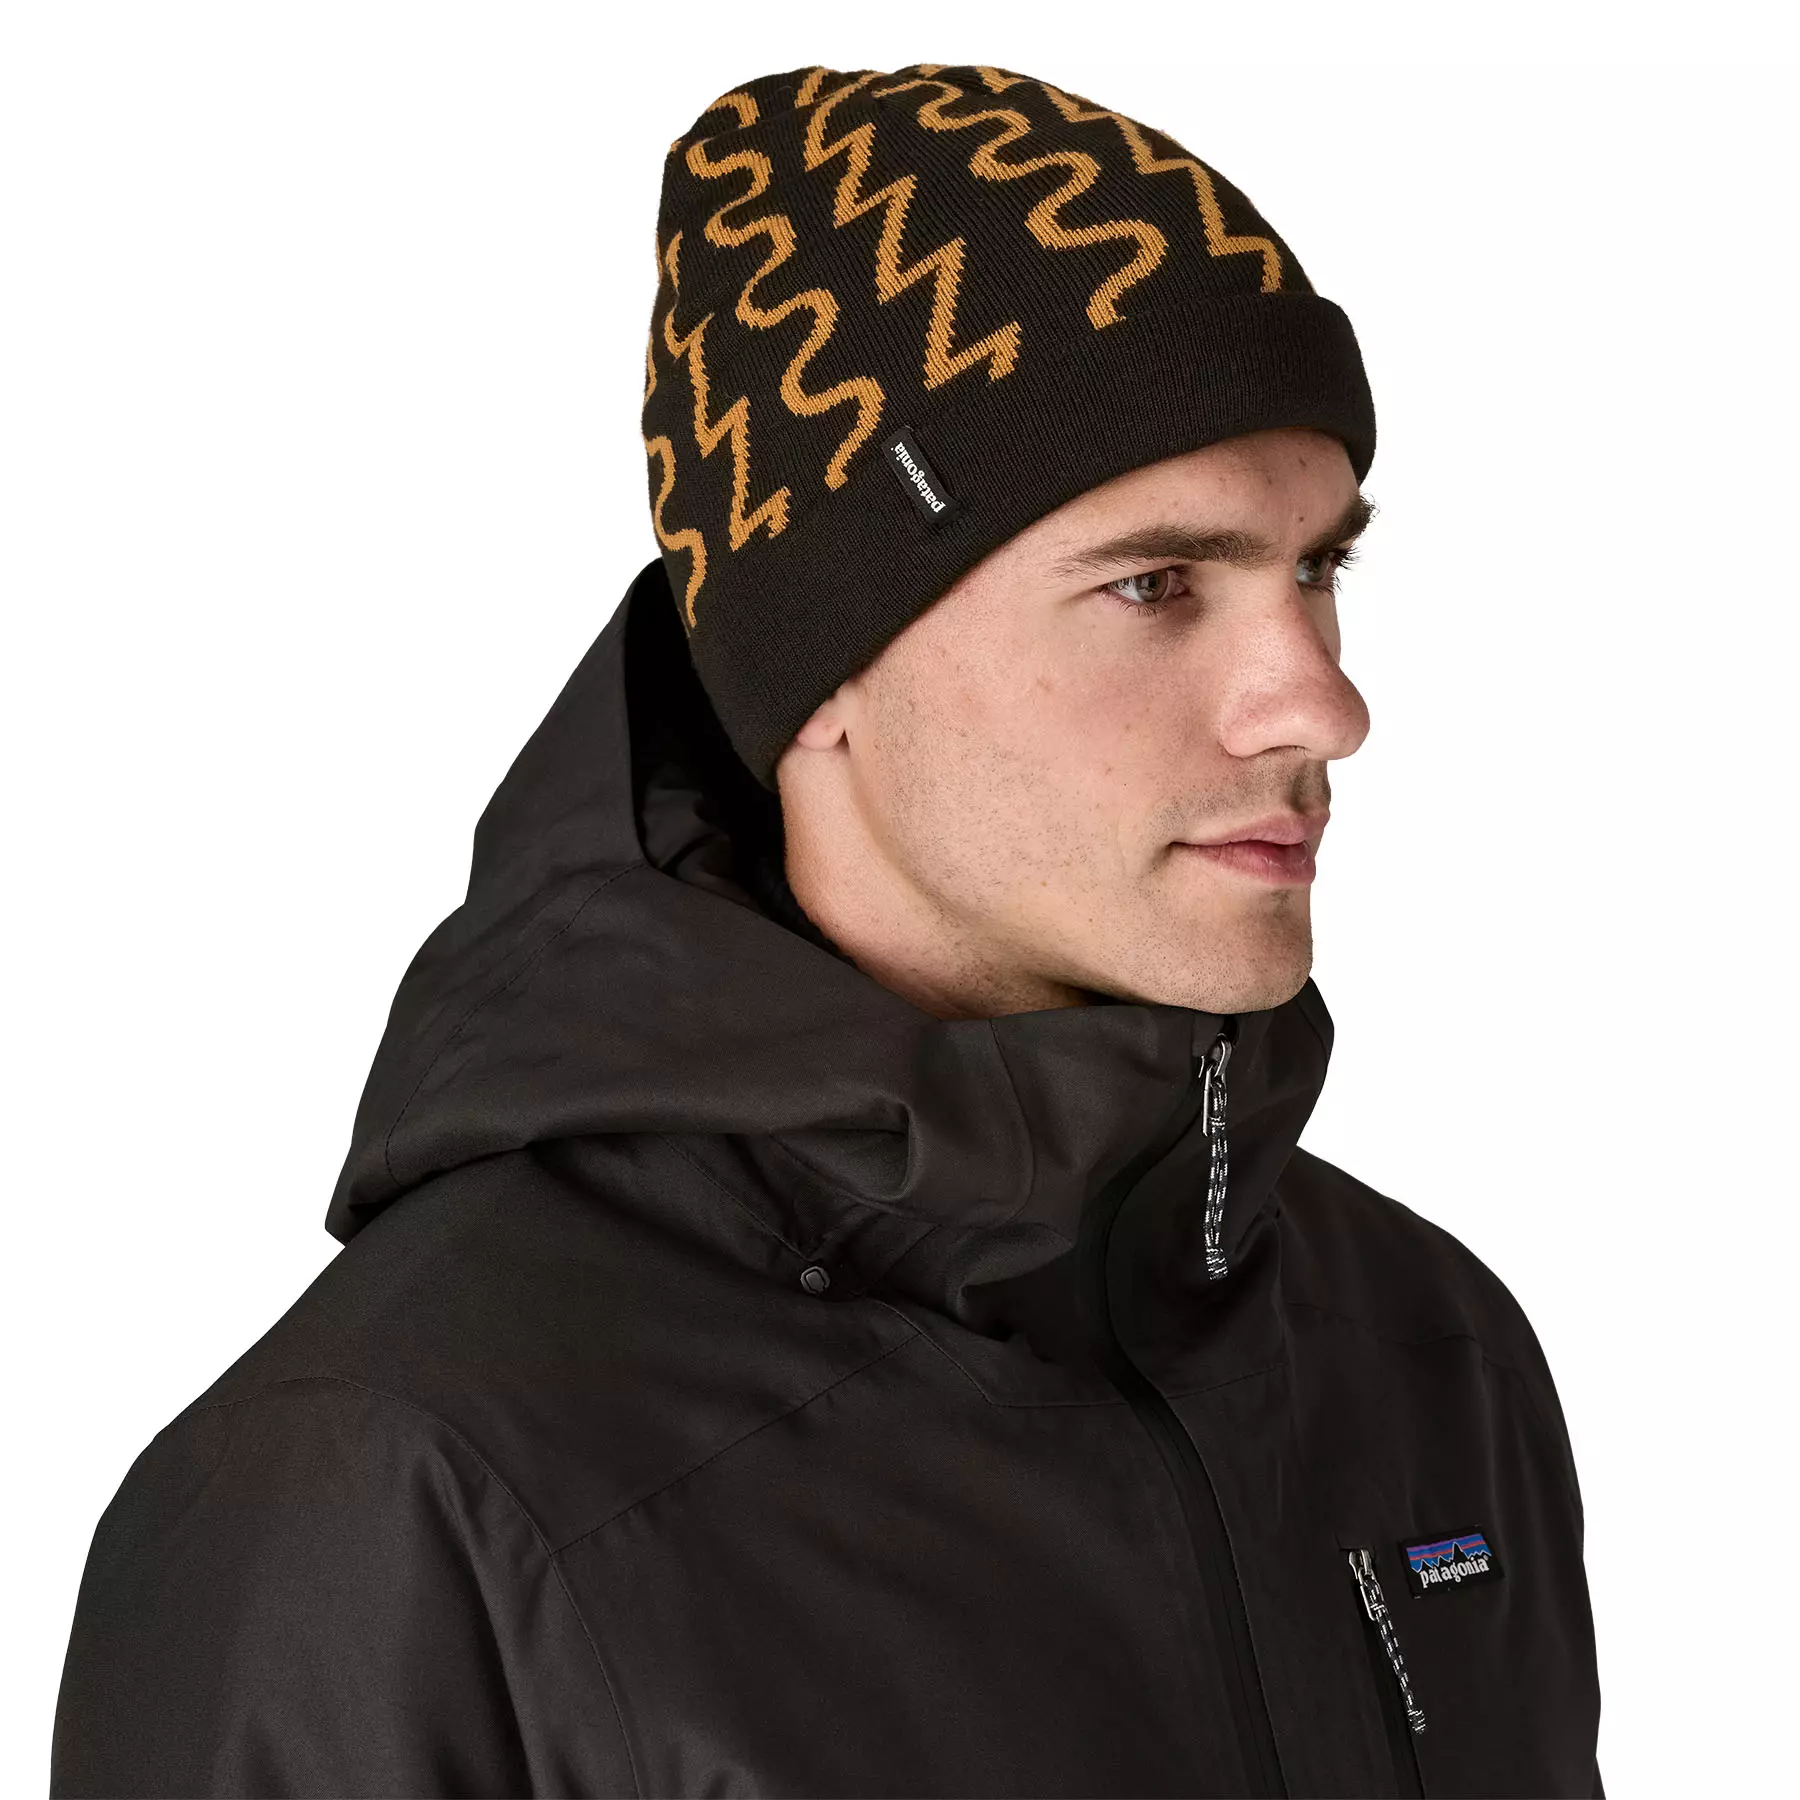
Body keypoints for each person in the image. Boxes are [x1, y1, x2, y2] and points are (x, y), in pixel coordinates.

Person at [50, 61, 1603, 1799]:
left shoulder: (1425, 1355)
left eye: (1320, 570)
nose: (1321, 704)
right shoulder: (394, 1490)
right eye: (1156, 584)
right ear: (828, 667)